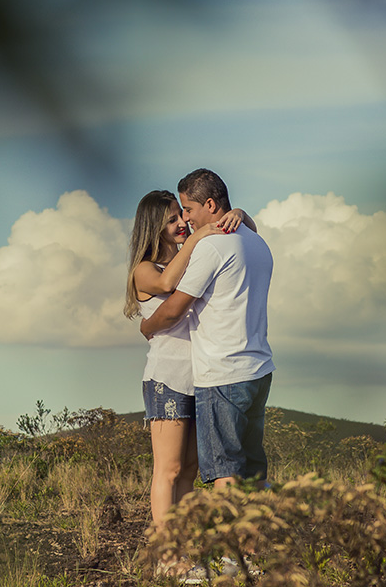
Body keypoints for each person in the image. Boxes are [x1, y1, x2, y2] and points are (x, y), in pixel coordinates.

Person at [125, 190, 256, 542]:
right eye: (171, 220)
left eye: (181, 216)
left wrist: (239, 214)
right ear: (154, 228)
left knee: (190, 471)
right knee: (167, 470)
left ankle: (183, 548)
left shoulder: (190, 256)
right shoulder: (146, 270)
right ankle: (167, 556)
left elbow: (247, 231)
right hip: (167, 379)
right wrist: (199, 234)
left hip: (200, 378)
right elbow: (168, 285)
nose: (182, 223)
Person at [140, 169, 274, 492]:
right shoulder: (257, 242)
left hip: (223, 374)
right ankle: (257, 543)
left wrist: (147, 325)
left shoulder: (212, 247)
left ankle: (234, 542)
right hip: (258, 370)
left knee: (226, 472)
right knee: (253, 471)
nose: (186, 219)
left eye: (188, 209)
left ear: (210, 205)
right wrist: (241, 216)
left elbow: (173, 309)